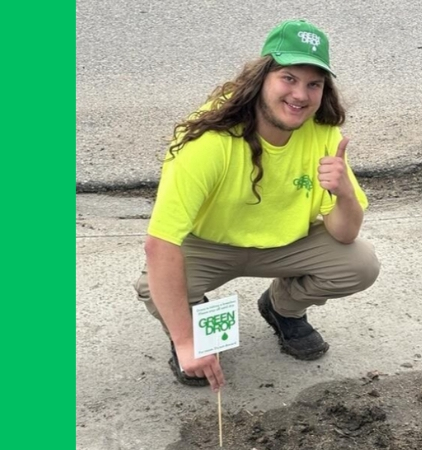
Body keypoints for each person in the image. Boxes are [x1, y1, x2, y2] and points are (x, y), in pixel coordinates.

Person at [134, 19, 380, 393]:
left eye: (314, 84)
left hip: (285, 245)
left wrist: (344, 192)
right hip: (210, 245)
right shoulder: (208, 139)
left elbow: (344, 233)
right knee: (154, 285)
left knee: (360, 264)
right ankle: (196, 319)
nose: (301, 95)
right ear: (261, 77)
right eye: (289, 78)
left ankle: (282, 308)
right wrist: (186, 343)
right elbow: (160, 244)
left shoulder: (324, 132)